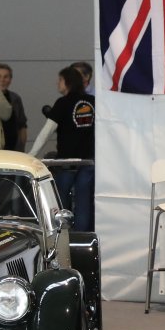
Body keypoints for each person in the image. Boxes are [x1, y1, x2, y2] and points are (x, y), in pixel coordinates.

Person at [45, 66, 95, 231]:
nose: (57, 83)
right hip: (88, 160)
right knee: (83, 201)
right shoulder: (92, 102)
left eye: (60, 79)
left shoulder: (62, 103)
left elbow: (46, 132)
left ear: (67, 82)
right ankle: (82, 237)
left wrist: (31, 154)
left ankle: (63, 235)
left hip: (66, 161)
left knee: (60, 202)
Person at [0, 62, 28, 151]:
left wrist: (21, 148)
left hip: (13, 149)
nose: (2, 80)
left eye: (6, 77)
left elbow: (22, 125)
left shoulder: (15, 99)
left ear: (10, 79)